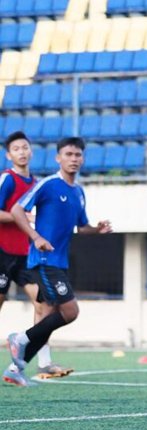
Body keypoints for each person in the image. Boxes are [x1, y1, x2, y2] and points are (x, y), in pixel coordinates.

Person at [6, 136, 112, 386]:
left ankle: (15, 369)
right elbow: (16, 211)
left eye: (77, 155)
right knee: (70, 311)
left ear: (83, 158)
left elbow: (81, 226)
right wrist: (36, 236)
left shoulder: (78, 191)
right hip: (44, 260)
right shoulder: (48, 184)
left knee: (49, 315)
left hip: (59, 261)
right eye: (68, 155)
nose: (73, 159)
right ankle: (20, 339)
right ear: (58, 158)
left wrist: (95, 229)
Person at [1, 132, 73, 386]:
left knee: (44, 306)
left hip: (25, 257)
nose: (21, 152)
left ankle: (43, 361)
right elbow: (5, 213)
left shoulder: (36, 184)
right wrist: (22, 218)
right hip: (3, 254)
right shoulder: (7, 180)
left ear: (31, 152)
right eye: (16, 149)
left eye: (25, 147)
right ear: (9, 155)